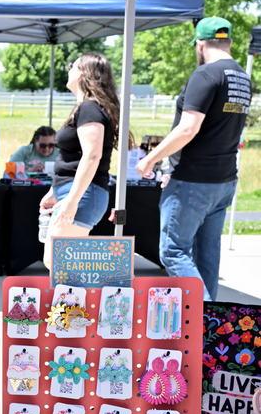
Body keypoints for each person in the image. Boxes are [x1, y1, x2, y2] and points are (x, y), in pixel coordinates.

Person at [136, 17, 253, 301]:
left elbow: (188, 128)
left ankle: (204, 311)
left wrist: (151, 159)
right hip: (223, 179)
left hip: (193, 181)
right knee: (206, 255)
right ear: (229, 42)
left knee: (173, 251)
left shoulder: (206, 75)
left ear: (200, 44)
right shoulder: (242, 77)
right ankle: (211, 322)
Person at [41, 52, 127, 267]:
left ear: (83, 73)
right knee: (60, 264)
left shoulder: (90, 108)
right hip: (75, 191)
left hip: (84, 194)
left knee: (60, 264)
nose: (68, 69)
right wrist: (54, 191)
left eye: (73, 65)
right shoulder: (87, 107)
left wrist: (71, 201)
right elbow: (74, 156)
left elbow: (92, 156)